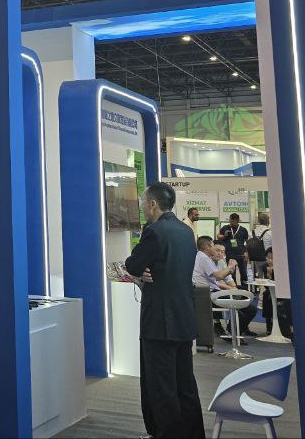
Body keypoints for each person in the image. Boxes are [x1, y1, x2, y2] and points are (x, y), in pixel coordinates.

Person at [124, 182, 205, 438]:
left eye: (143, 202)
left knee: (162, 388)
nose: (142, 207)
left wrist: (142, 271)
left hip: (159, 322)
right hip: (183, 318)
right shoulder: (186, 231)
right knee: (185, 384)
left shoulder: (154, 232)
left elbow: (133, 264)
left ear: (153, 204)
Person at [191, 236, 232, 353]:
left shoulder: (201, 257)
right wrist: (230, 266)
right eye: (213, 246)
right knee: (243, 300)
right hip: (209, 294)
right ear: (207, 246)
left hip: (207, 292)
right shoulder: (204, 258)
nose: (216, 250)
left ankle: (229, 331)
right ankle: (230, 332)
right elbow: (219, 276)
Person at [216, 213, 250, 281]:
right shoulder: (225, 227)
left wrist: (247, 253)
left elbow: (247, 242)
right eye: (230, 220)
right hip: (229, 254)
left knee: (243, 272)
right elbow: (218, 236)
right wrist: (224, 235)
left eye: (231, 220)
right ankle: (233, 286)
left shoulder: (243, 230)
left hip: (241, 254)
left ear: (236, 220)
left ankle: (244, 286)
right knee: (231, 272)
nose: (230, 222)